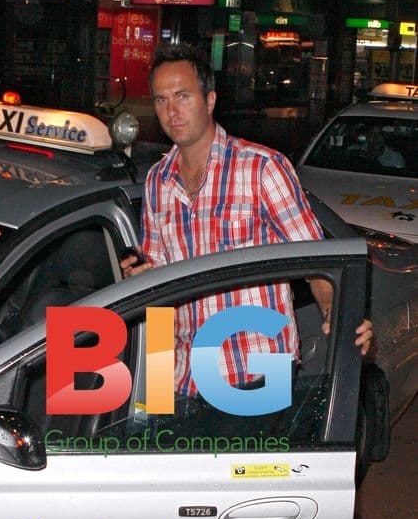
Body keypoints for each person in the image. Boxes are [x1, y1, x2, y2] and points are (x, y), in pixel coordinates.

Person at [121, 43, 372, 398]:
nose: (171, 111)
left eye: (182, 96)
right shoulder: (157, 181)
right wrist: (157, 390)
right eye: (161, 100)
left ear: (209, 100)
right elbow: (160, 290)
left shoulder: (261, 168)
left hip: (256, 372)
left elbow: (316, 261)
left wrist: (336, 313)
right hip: (184, 379)